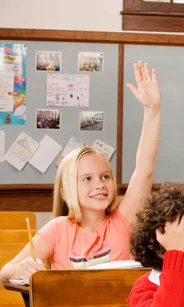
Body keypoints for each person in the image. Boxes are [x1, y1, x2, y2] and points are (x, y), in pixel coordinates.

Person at [0, 60, 161, 281]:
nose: (99, 184)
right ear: (67, 191)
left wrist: (152, 110)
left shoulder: (122, 222)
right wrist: (21, 270)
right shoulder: (58, 229)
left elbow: (144, 170)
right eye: (87, 178)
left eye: (105, 176)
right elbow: (4, 272)